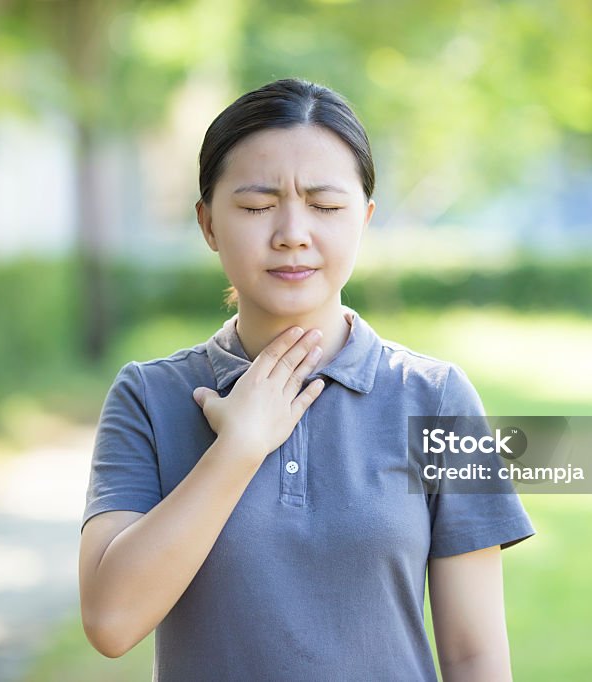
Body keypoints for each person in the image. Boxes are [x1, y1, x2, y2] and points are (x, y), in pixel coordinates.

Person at [78, 78, 535, 681]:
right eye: (257, 205)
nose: (293, 232)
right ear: (208, 222)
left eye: (324, 206)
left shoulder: (439, 397)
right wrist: (237, 449)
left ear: (364, 219)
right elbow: (111, 622)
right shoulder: (149, 397)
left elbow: (475, 655)